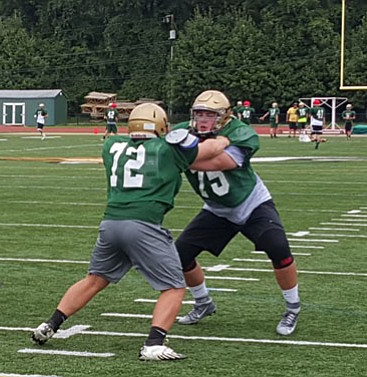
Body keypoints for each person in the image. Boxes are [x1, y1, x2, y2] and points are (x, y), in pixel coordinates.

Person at [30, 103, 230, 361]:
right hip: (144, 225)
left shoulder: (111, 147)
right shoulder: (168, 149)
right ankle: (154, 344)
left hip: (111, 223)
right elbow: (209, 149)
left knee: (94, 279)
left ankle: (49, 325)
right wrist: (224, 138)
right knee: (174, 287)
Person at [171, 89, 301, 336]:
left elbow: (220, 163)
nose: (202, 120)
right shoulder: (181, 131)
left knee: (279, 248)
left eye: (209, 115)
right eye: (198, 114)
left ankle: (292, 307)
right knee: (181, 256)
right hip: (216, 209)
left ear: (224, 117)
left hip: (251, 203)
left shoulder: (239, 132)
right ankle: (203, 302)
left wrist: (178, 157)